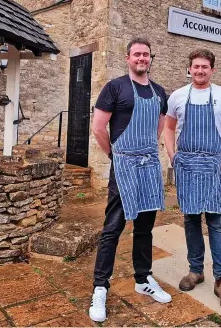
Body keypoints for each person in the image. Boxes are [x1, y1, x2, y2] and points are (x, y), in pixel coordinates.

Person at [89, 37, 171, 323]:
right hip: (123, 164)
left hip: (148, 165)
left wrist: (145, 151)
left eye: (146, 54)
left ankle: (143, 279)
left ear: (151, 58)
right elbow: (99, 127)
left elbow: (159, 127)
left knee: (145, 228)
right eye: (137, 54)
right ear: (128, 58)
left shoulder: (160, 92)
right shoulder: (115, 87)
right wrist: (115, 154)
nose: (141, 59)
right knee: (112, 228)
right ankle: (100, 287)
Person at [164, 48, 221, 314]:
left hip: (215, 165)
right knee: (190, 219)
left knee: (217, 222)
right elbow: (168, 127)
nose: (199, 71)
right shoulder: (177, 96)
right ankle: (196, 270)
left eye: (204, 67)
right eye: (195, 67)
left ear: (212, 69)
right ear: (190, 69)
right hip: (186, 165)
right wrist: (172, 155)